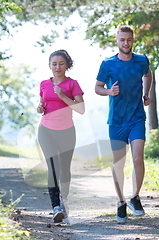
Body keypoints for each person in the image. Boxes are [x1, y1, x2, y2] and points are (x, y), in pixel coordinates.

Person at [95, 25, 152, 223]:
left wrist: (146, 94)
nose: (126, 43)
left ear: (133, 40)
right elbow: (97, 88)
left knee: (137, 158)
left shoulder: (142, 60)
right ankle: (120, 202)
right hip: (117, 121)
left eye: (129, 39)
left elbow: (148, 74)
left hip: (136, 117)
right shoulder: (108, 64)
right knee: (119, 163)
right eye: (122, 40)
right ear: (117, 41)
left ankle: (134, 197)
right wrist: (109, 92)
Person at [37, 49, 85, 223]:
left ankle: (64, 202)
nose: (57, 67)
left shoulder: (73, 84)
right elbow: (42, 104)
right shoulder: (44, 83)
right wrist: (39, 108)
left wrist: (63, 96)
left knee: (64, 170)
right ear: (49, 65)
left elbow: (80, 109)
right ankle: (55, 207)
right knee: (52, 167)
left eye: (61, 64)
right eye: (54, 64)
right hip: (46, 130)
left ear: (67, 65)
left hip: (66, 131)